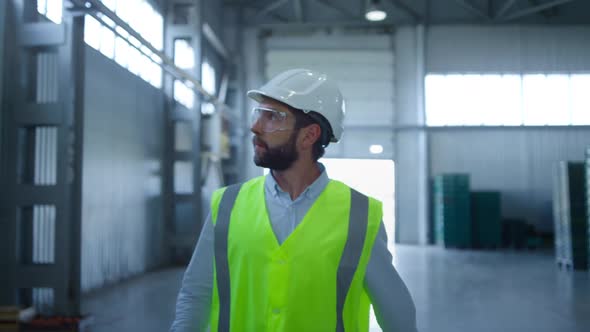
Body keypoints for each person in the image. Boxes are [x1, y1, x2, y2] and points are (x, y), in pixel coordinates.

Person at [170, 68, 417, 332]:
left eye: (273, 117)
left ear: (309, 136)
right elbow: (196, 295)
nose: (255, 127)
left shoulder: (359, 216)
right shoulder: (228, 205)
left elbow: (397, 316)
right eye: (259, 114)